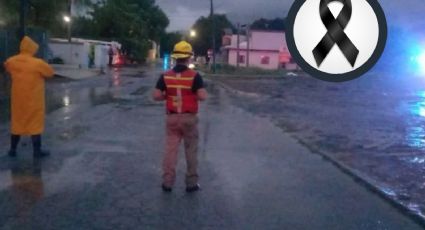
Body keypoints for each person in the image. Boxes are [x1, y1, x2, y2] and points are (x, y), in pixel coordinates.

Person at [153, 41, 207, 193]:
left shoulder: (166, 76)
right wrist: (192, 94)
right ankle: (191, 184)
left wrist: (168, 96)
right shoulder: (195, 76)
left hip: (172, 118)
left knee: (170, 151)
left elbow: (156, 95)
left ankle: (167, 183)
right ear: (189, 57)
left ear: (176, 57)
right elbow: (202, 96)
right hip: (189, 119)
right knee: (191, 151)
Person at [4, 36, 55, 158]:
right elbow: (50, 73)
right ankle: (37, 151)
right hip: (34, 99)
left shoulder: (12, 61)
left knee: (17, 123)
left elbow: (7, 66)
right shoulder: (37, 63)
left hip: (18, 99)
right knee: (35, 124)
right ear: (32, 49)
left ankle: (12, 150)